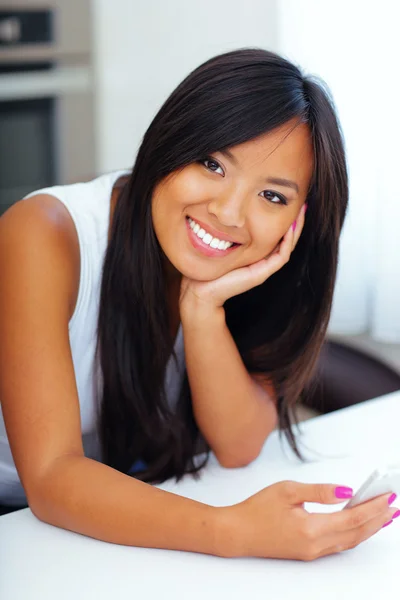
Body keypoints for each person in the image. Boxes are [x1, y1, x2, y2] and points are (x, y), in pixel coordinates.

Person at [0, 48, 397, 559]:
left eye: (272, 197)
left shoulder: (251, 275)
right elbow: (52, 477)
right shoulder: (44, 234)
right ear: (169, 141)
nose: (229, 213)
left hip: (98, 522)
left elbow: (238, 446)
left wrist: (203, 311)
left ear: (301, 220)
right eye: (212, 164)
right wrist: (235, 531)